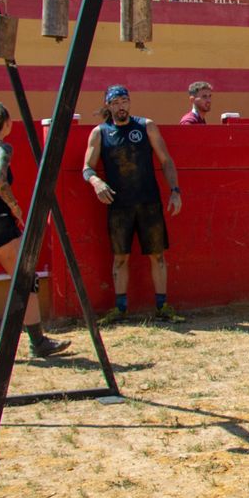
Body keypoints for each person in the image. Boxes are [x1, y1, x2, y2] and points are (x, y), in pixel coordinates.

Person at [0, 100, 71, 363]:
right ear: (7, 123)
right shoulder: (1, 148)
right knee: (25, 279)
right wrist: (15, 206)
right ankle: (38, 342)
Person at [83, 85, 184, 324]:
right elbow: (87, 168)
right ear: (108, 105)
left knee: (157, 255)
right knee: (120, 257)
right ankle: (120, 309)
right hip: (119, 205)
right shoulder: (100, 132)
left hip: (149, 201)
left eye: (124, 101)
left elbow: (166, 160)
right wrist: (97, 182)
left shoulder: (146, 126)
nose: (121, 106)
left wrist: (175, 191)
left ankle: (162, 307)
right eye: (116, 102)